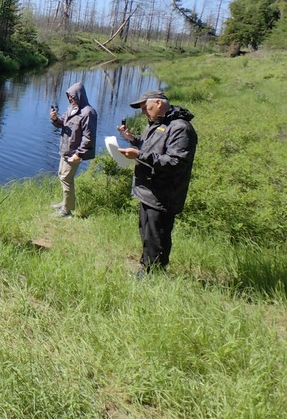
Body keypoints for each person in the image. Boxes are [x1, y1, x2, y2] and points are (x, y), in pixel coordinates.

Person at [116, 89, 198, 276]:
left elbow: (176, 162)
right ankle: (146, 268)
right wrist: (131, 139)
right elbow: (148, 146)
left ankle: (154, 275)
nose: (144, 112)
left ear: (158, 103)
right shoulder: (157, 123)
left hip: (163, 195)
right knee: (147, 233)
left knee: (157, 235)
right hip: (147, 190)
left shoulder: (180, 128)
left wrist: (140, 155)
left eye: (146, 107)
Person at [48, 81, 97, 217]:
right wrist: (55, 119)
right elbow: (62, 122)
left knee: (66, 178)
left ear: (80, 95)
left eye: (73, 96)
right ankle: (65, 203)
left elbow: (89, 137)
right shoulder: (72, 108)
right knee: (62, 175)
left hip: (75, 153)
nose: (71, 99)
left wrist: (79, 154)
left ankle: (66, 211)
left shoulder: (88, 113)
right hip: (65, 150)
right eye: (69, 97)